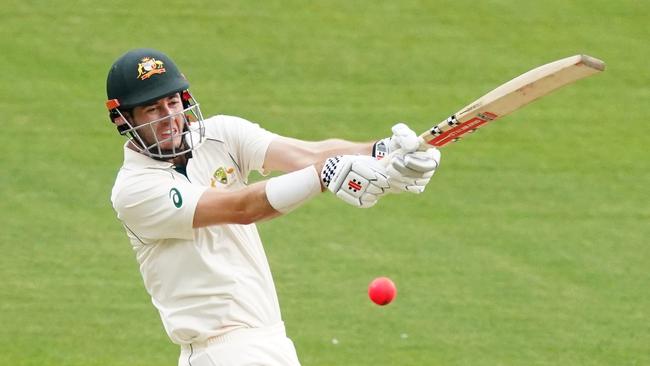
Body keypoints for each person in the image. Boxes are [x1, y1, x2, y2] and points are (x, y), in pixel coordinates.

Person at [106, 48, 441, 366]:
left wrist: (382, 152)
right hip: (220, 352)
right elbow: (242, 208)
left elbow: (306, 155)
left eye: (172, 102)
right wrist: (323, 176)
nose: (169, 117)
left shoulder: (220, 134)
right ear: (125, 120)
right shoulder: (135, 190)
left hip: (269, 340)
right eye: (152, 109)